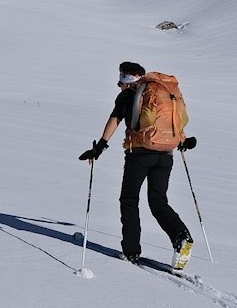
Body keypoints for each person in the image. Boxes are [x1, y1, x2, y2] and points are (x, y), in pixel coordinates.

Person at [78, 61, 196, 265]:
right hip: (165, 154)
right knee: (158, 201)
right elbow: (172, 120)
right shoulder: (160, 93)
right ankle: (181, 235)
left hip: (139, 154)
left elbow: (115, 119)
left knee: (129, 200)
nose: (119, 85)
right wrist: (183, 141)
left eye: (120, 80)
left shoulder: (130, 95)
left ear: (126, 79)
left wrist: (99, 147)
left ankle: (131, 251)